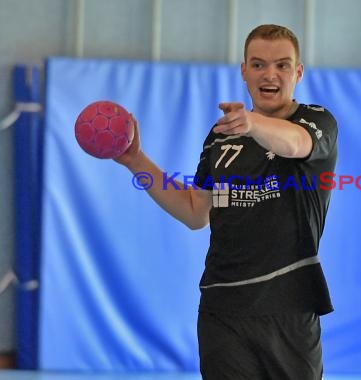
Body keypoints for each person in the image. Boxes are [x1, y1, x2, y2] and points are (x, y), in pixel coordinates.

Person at [116, 24, 338, 380]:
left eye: (282, 65)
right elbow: (194, 211)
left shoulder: (315, 121)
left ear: (297, 73)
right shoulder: (220, 139)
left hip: (288, 305)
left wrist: (252, 123)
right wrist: (136, 161)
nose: (270, 74)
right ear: (244, 71)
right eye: (259, 64)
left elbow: (295, 145)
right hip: (222, 308)